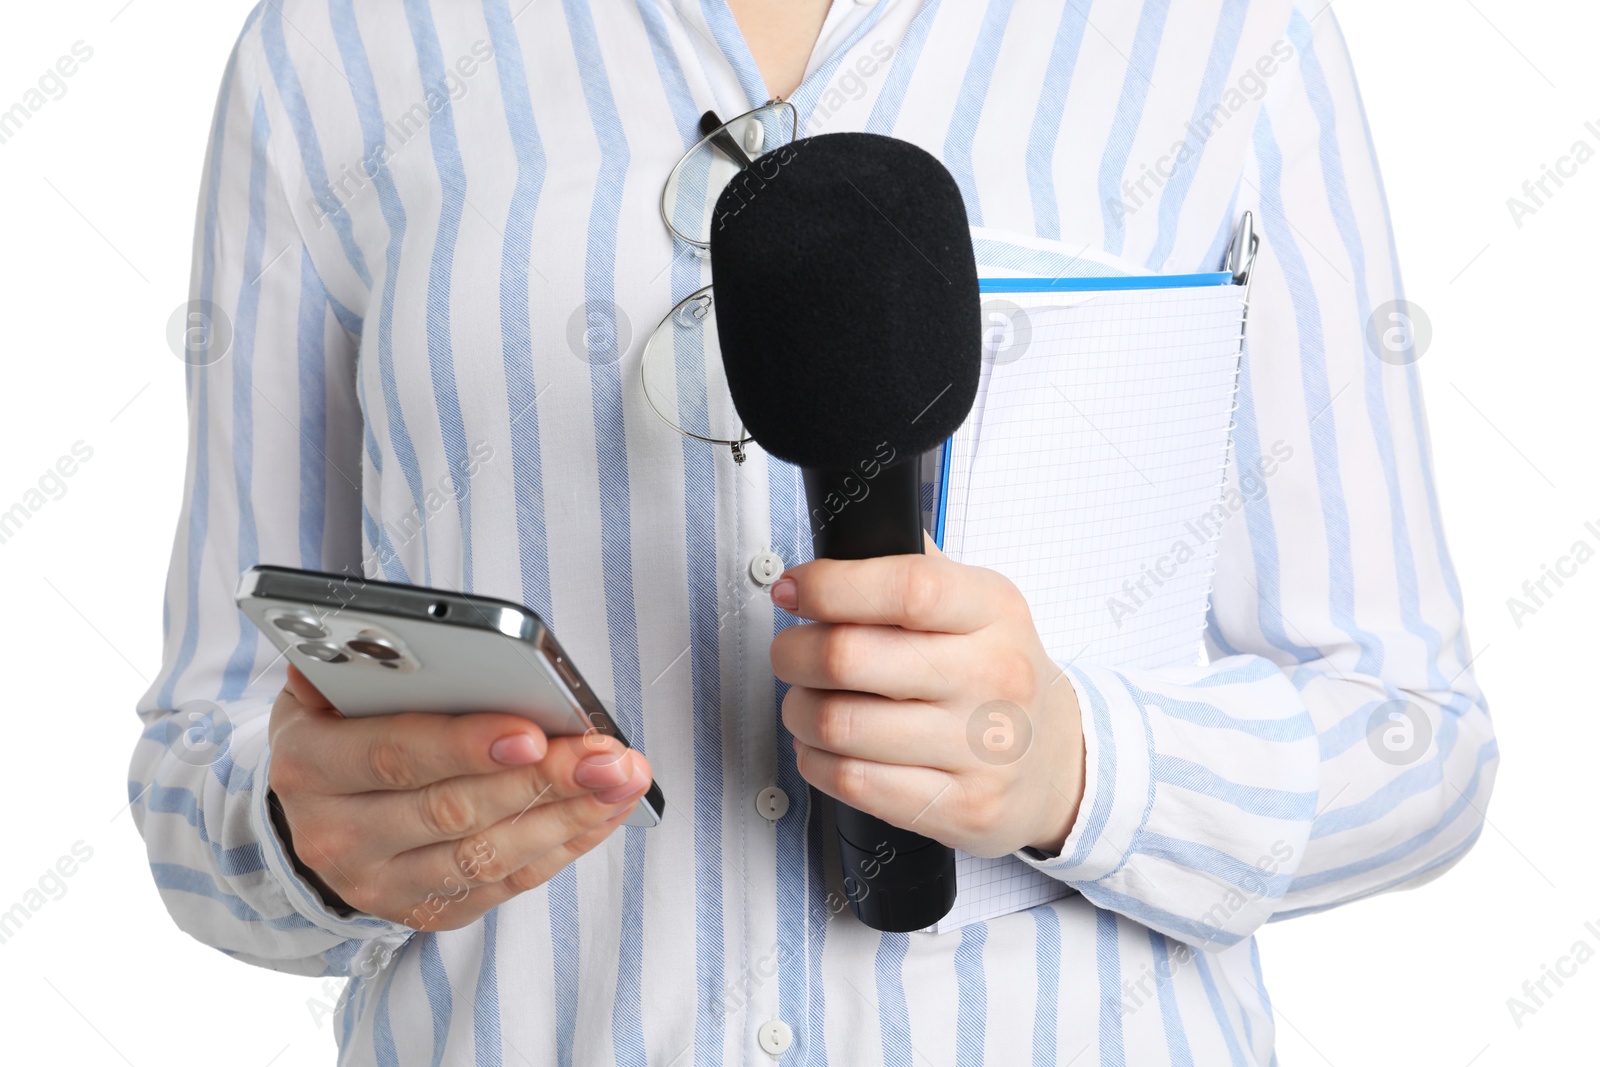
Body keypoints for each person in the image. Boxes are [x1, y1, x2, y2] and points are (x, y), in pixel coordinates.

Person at [131, 1, 1497, 1063]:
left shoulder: (1219, 35)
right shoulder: (338, 48)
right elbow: (201, 769)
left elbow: (1414, 736)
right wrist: (309, 843)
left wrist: (1085, 768)